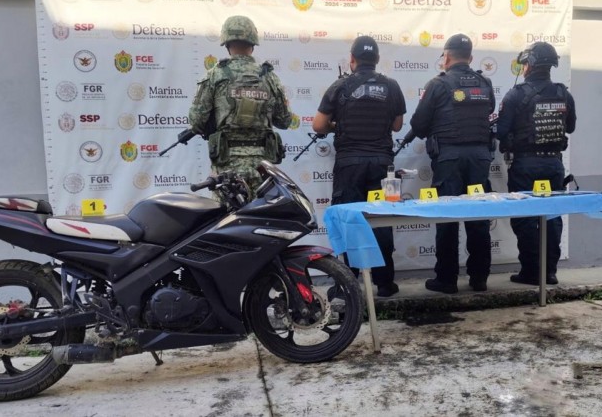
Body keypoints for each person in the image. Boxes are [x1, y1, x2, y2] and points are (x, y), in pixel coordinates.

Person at [312, 35, 406, 297]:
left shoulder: (340, 86)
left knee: (349, 221)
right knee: (381, 220)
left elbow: (319, 125)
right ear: (377, 59)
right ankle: (385, 284)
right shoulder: (391, 86)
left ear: (352, 59)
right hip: (382, 165)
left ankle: (347, 286)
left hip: (349, 165)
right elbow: (397, 125)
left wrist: (338, 125)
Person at [409, 34, 495, 293]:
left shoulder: (438, 84)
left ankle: (446, 279)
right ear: (471, 57)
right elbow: (489, 110)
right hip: (479, 158)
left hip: (449, 160)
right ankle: (479, 278)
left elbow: (419, 124)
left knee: (447, 216)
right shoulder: (485, 83)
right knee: (478, 216)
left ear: (446, 57)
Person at [496, 41, 577, 285]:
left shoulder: (516, 94)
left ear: (529, 65)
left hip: (526, 166)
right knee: (552, 218)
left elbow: (501, 131)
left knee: (525, 218)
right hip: (554, 165)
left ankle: (531, 272)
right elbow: (571, 127)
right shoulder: (563, 94)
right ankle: (549, 272)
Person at [188, 15, 293, 198]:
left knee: (226, 215)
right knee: (263, 214)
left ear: (227, 43)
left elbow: (196, 121)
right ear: (253, 43)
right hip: (263, 168)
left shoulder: (215, 75)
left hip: (227, 167)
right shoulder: (270, 77)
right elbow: (284, 121)